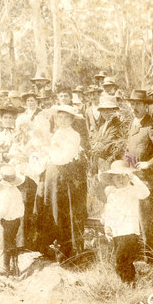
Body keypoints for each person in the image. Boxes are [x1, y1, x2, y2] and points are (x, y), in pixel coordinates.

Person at [125, 90, 153, 260]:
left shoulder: (152, 125)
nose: (134, 107)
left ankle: (152, 258)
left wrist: (149, 163)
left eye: (137, 104)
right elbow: (131, 149)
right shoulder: (134, 124)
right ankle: (140, 254)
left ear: (146, 106)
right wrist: (126, 165)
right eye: (132, 104)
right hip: (132, 178)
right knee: (134, 217)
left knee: (147, 219)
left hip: (146, 180)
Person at [37, 104, 85, 262]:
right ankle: (51, 248)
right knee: (50, 208)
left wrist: (50, 150)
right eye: (60, 117)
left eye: (66, 117)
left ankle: (64, 253)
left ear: (72, 120)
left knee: (62, 211)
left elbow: (63, 157)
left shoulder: (74, 135)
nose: (62, 120)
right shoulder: (56, 133)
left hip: (64, 176)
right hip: (52, 174)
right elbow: (49, 154)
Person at [101, 160, 150, 285]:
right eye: (117, 177)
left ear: (127, 177)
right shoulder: (112, 194)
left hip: (129, 230)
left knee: (121, 258)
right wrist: (107, 226)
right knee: (123, 259)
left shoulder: (132, 190)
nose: (120, 180)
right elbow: (109, 211)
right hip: (117, 231)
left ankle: (127, 283)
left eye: (123, 177)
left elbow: (145, 193)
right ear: (112, 179)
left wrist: (133, 177)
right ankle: (130, 282)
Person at [0, 164, 26, 277]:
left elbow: (2, 209)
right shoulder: (16, 191)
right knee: (12, 241)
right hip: (16, 220)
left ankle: (6, 267)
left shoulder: (5, 194)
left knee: (7, 244)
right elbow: (21, 208)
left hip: (8, 221)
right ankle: (14, 264)